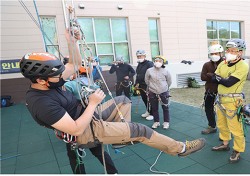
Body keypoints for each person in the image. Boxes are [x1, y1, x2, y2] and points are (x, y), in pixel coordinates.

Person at [19, 29, 206, 173]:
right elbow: (75, 129)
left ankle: (119, 139)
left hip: (89, 118)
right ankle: (180, 148)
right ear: (41, 80)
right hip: (82, 131)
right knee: (140, 130)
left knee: (123, 99)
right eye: (56, 75)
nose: (62, 76)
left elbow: (73, 64)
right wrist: (92, 103)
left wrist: (72, 41)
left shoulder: (50, 83)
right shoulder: (40, 102)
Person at [211, 39, 249, 164]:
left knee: (236, 128)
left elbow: (228, 83)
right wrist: (220, 78)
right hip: (220, 100)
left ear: (240, 52)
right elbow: (212, 77)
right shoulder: (223, 63)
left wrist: (219, 78)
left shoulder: (243, 65)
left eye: (233, 50)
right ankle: (225, 143)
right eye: (228, 50)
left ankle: (237, 150)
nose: (229, 52)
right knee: (221, 124)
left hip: (233, 101)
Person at [200, 42, 224, 134]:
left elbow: (224, 78)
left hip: (223, 91)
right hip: (210, 90)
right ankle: (212, 126)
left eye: (216, 53)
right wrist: (215, 76)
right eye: (212, 54)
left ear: (221, 53)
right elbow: (202, 77)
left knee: (224, 111)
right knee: (208, 108)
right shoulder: (207, 65)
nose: (214, 55)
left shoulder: (225, 64)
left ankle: (228, 130)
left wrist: (210, 75)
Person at [145, 56, 172, 129]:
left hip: (163, 91)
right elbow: (146, 80)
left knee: (165, 107)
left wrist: (164, 88)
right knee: (154, 108)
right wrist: (151, 87)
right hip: (152, 91)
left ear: (163, 62)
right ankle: (156, 122)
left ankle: (166, 122)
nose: (158, 62)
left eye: (160, 61)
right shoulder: (149, 70)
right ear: (154, 61)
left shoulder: (166, 71)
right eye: (156, 60)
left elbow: (169, 81)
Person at [134, 50, 154, 120]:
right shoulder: (139, 64)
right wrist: (136, 83)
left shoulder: (149, 64)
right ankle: (148, 111)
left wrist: (150, 84)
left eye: (140, 56)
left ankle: (152, 114)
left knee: (150, 100)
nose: (139, 57)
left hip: (148, 85)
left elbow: (152, 74)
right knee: (144, 99)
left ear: (144, 56)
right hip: (141, 85)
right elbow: (138, 75)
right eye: (138, 56)